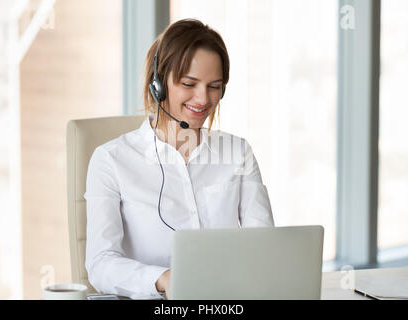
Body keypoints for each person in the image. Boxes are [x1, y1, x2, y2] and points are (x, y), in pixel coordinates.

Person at [84, 18, 274, 300]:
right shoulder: (111, 160)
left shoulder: (238, 152)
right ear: (158, 84)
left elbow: (265, 248)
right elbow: (100, 264)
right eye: (189, 83)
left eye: (215, 86)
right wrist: (161, 279)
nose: (203, 99)